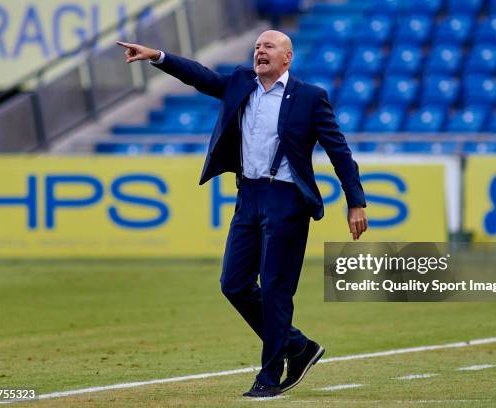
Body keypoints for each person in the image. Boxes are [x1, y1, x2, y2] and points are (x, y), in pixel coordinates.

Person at [117, 30, 367, 398]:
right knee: (233, 284)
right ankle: (298, 346)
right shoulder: (240, 83)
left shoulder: (310, 98)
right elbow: (199, 76)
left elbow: (339, 152)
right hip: (248, 195)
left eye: (268, 46)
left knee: (276, 289)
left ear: (287, 57)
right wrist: (157, 56)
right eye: (256, 46)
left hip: (287, 200)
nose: (259, 51)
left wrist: (355, 201)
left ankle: (269, 376)